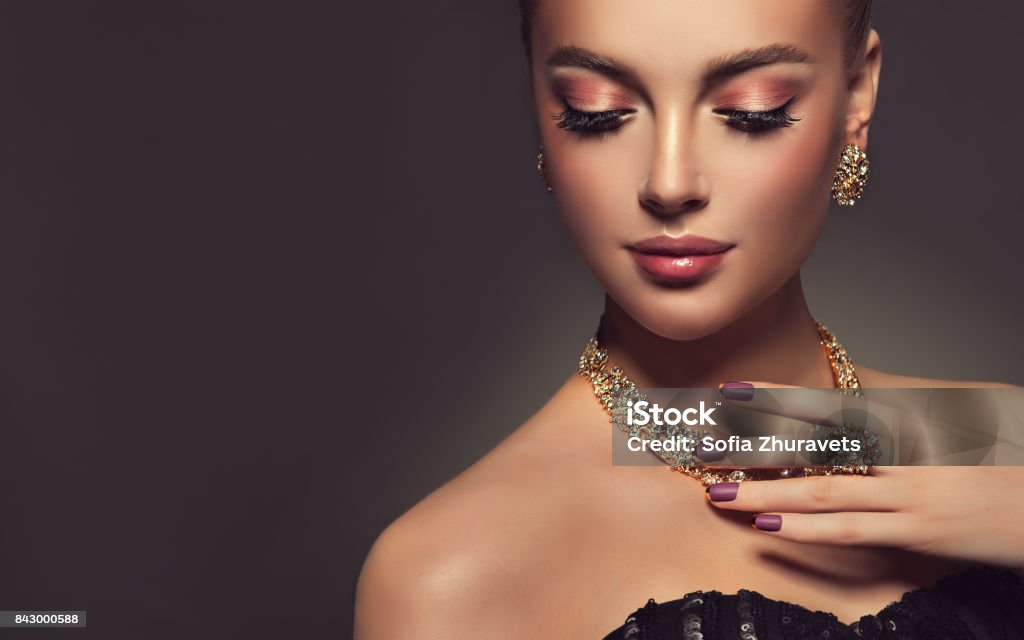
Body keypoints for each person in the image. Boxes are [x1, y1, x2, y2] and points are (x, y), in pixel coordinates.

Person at [354, 1, 1024, 637]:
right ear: (539, 105)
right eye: (598, 113)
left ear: (856, 99)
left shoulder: (1001, 439)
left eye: (751, 111)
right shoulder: (447, 578)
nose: (669, 183)